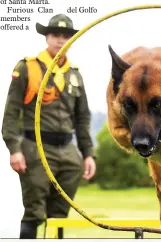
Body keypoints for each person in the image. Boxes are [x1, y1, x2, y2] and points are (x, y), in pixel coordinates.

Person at [2, 14, 96, 239]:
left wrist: (88, 154)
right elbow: (10, 114)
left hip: (68, 152)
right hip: (36, 149)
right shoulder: (27, 68)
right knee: (34, 214)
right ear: (46, 37)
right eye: (55, 35)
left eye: (66, 36)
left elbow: (82, 117)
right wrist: (15, 149)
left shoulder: (75, 74)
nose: (60, 41)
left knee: (60, 216)